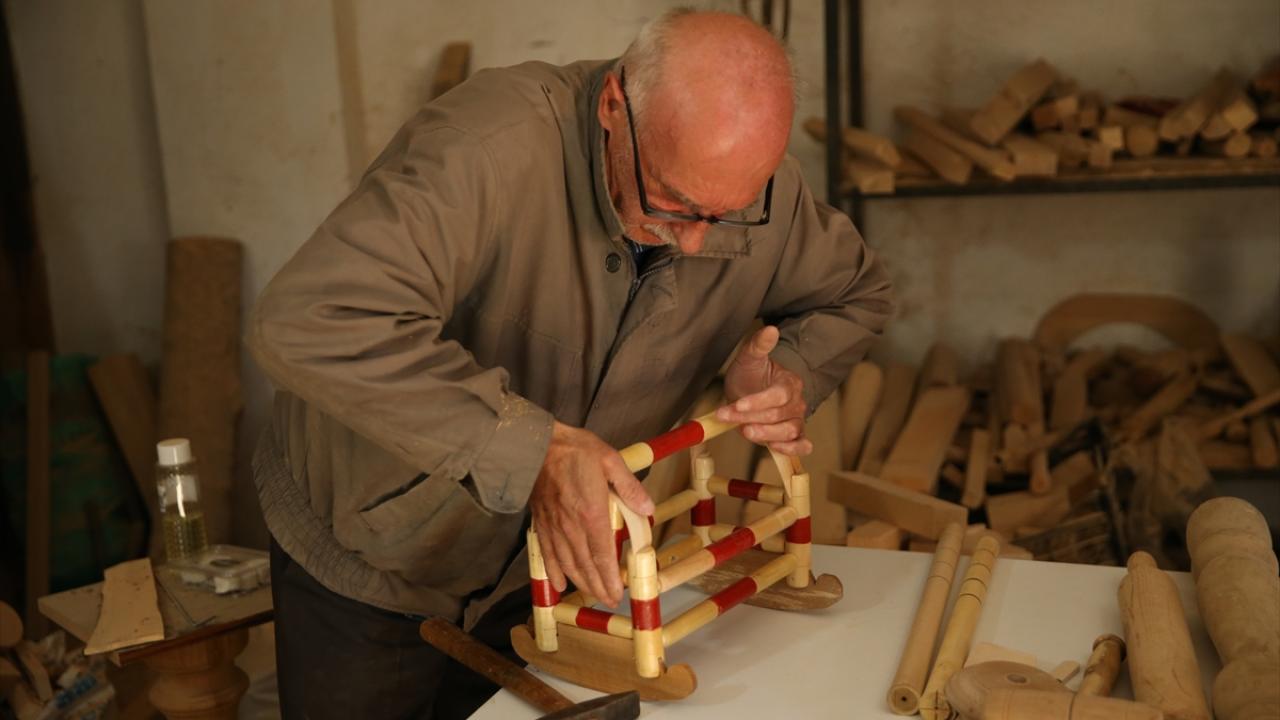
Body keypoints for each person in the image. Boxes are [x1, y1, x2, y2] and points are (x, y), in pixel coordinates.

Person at [247, 8, 892, 719]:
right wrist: (539, 452)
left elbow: (857, 292)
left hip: (545, 573)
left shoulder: (755, 193)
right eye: (673, 202)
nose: (697, 244)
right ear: (615, 106)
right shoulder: (486, 149)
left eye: (727, 214)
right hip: (372, 553)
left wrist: (787, 372)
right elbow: (311, 319)